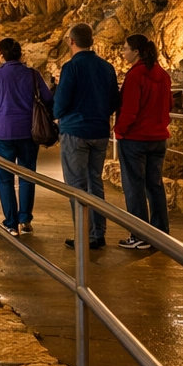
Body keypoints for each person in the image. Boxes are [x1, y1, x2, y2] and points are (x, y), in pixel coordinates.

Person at [0, 38, 53, 235]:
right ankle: (25, 219)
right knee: (27, 174)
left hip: (2, 133)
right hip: (29, 132)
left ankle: (11, 223)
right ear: (20, 54)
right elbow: (48, 100)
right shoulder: (33, 75)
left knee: (4, 178)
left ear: (1, 55)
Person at [54, 23, 120, 249]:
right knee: (95, 182)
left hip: (75, 131)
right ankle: (97, 233)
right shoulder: (106, 67)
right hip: (100, 132)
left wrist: (57, 114)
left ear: (71, 41)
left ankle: (83, 235)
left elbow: (61, 101)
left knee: (76, 185)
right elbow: (114, 100)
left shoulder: (71, 67)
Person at [115, 34, 173, 248]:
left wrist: (119, 131)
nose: (123, 52)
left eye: (125, 48)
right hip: (158, 138)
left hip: (135, 138)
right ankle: (160, 233)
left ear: (136, 52)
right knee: (155, 185)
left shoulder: (135, 75)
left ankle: (140, 235)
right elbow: (170, 104)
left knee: (134, 187)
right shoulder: (163, 75)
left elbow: (130, 110)